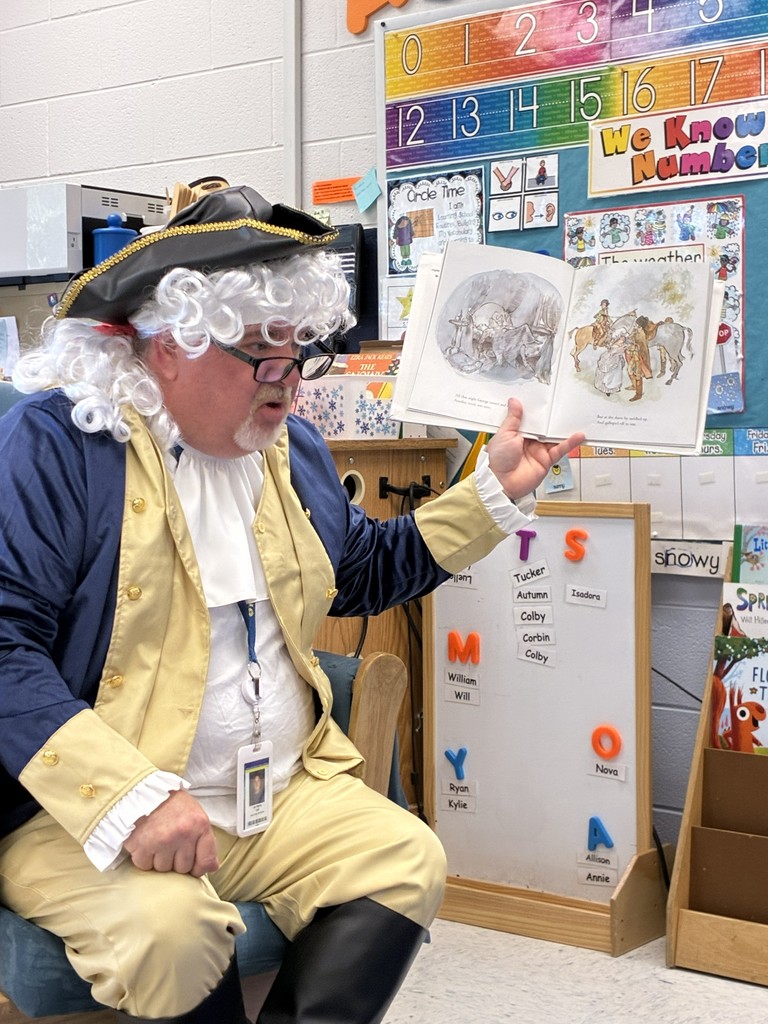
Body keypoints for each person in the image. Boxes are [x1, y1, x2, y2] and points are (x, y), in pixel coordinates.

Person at [0, 183, 584, 1024]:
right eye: (260, 357)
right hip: (84, 812)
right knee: (169, 935)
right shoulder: (59, 445)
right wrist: (130, 797)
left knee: (403, 857)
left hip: (277, 794)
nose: (290, 385)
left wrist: (494, 490)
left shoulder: (289, 450)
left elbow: (361, 571)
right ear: (168, 345)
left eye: (297, 352)